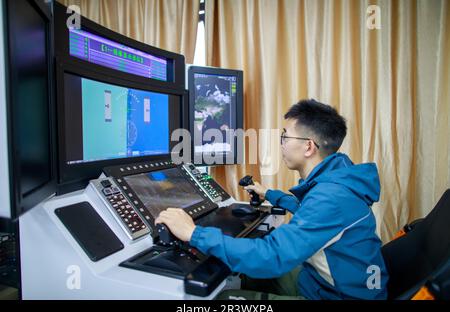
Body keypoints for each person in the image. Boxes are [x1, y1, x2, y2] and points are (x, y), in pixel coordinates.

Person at [155, 99, 389, 300]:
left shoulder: (331, 198)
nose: (282, 144)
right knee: (245, 276)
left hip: (339, 295)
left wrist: (193, 233)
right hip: (331, 283)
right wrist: (270, 195)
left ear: (308, 147)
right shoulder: (337, 176)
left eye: (285, 137)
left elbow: (272, 255)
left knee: (222, 297)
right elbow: (306, 209)